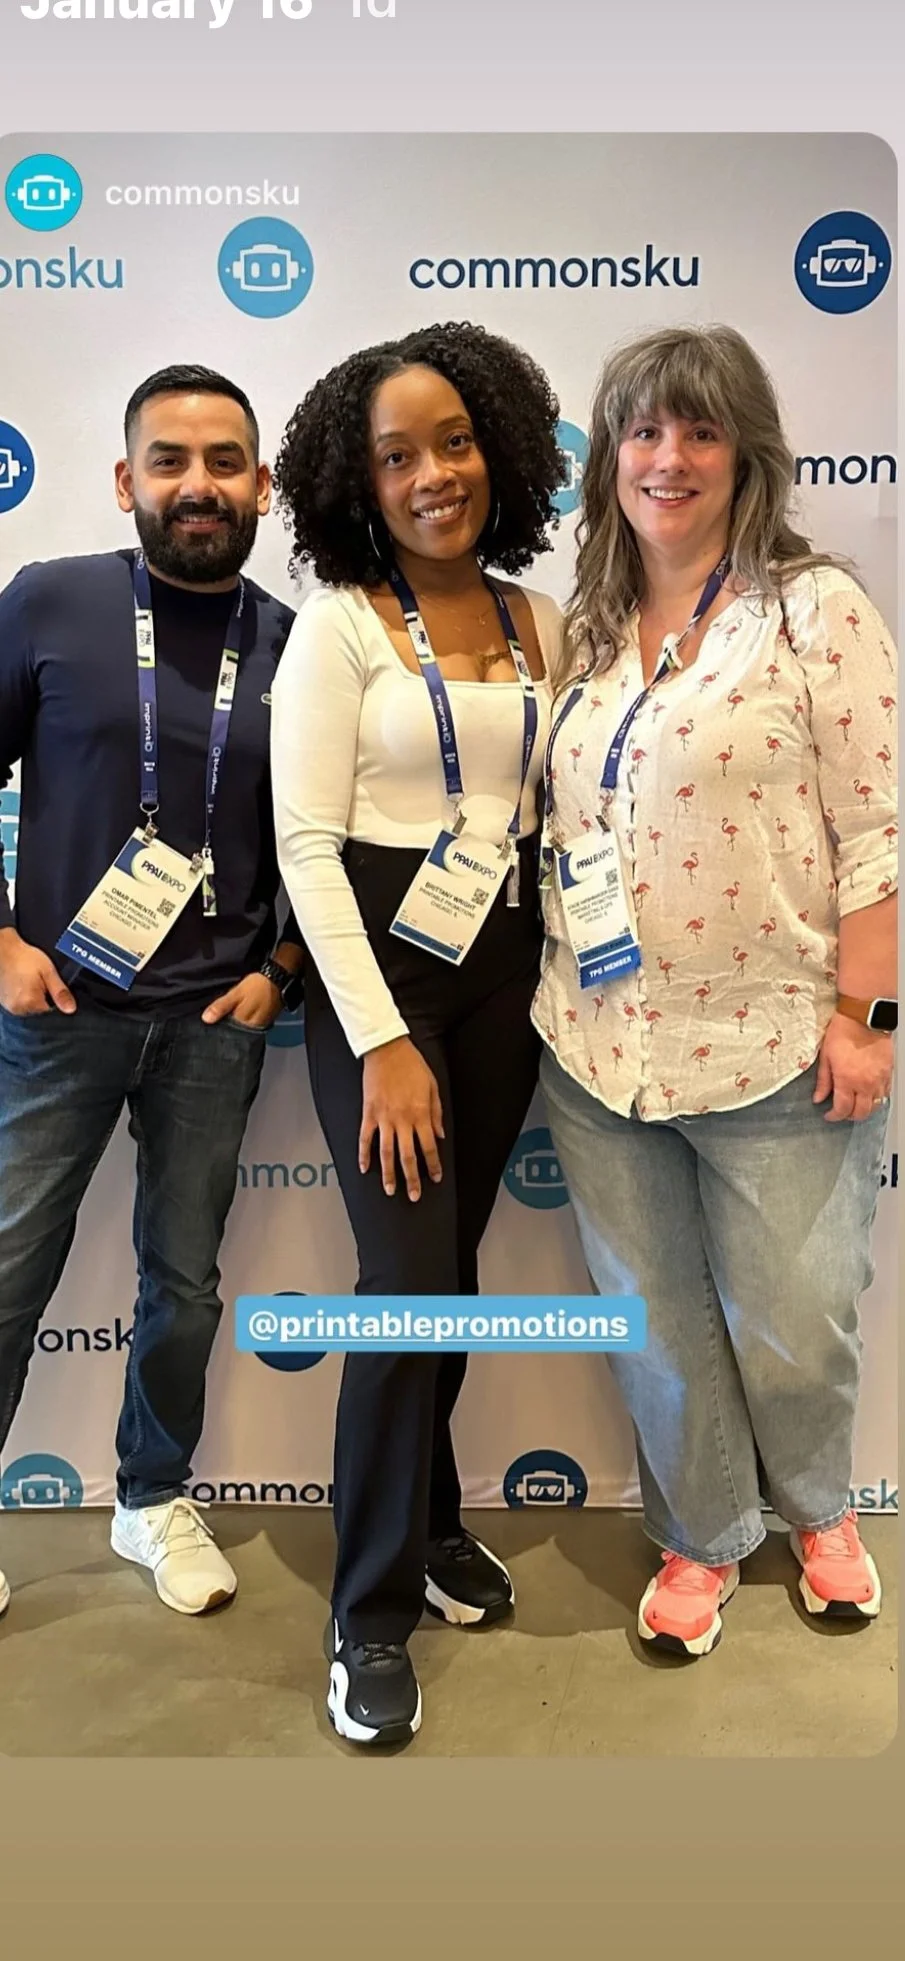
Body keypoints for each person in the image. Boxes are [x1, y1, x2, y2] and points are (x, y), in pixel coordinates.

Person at [536, 324, 897, 1658]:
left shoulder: (814, 610)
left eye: (699, 430)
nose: (669, 456)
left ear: (745, 453)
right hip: (594, 1046)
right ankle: (701, 1532)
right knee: (654, 1324)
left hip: (777, 1047)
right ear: (609, 455)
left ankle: (818, 1512)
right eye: (643, 429)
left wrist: (869, 1020)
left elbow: (878, 830)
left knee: (796, 1319)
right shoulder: (577, 626)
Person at [270, 321, 564, 1744]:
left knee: (444, 1272)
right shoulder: (337, 626)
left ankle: (435, 1517)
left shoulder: (536, 619)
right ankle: (367, 1611)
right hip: (379, 973)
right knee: (401, 1283)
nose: (432, 474)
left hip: (503, 968)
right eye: (397, 457)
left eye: (453, 442)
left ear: (497, 449)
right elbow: (305, 848)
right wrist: (380, 1036)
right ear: (356, 482)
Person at [0, 365, 303, 1624]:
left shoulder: (293, 642)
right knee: (10, 1262)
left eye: (224, 460)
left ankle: (149, 1496)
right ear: (126, 481)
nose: (198, 485)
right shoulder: (49, 602)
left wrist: (275, 971)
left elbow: (323, 842)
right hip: (55, 1012)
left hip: (209, 1027)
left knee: (183, 1277)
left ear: (261, 486)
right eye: (169, 460)